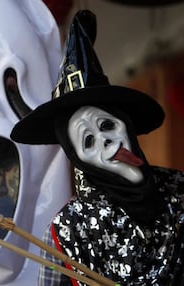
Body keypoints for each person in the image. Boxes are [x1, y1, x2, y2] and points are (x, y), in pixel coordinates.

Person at [11, 10, 184, 286]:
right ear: (78, 158)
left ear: (125, 125)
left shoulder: (178, 191)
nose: (106, 141)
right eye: (88, 141)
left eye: (107, 126)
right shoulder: (70, 229)